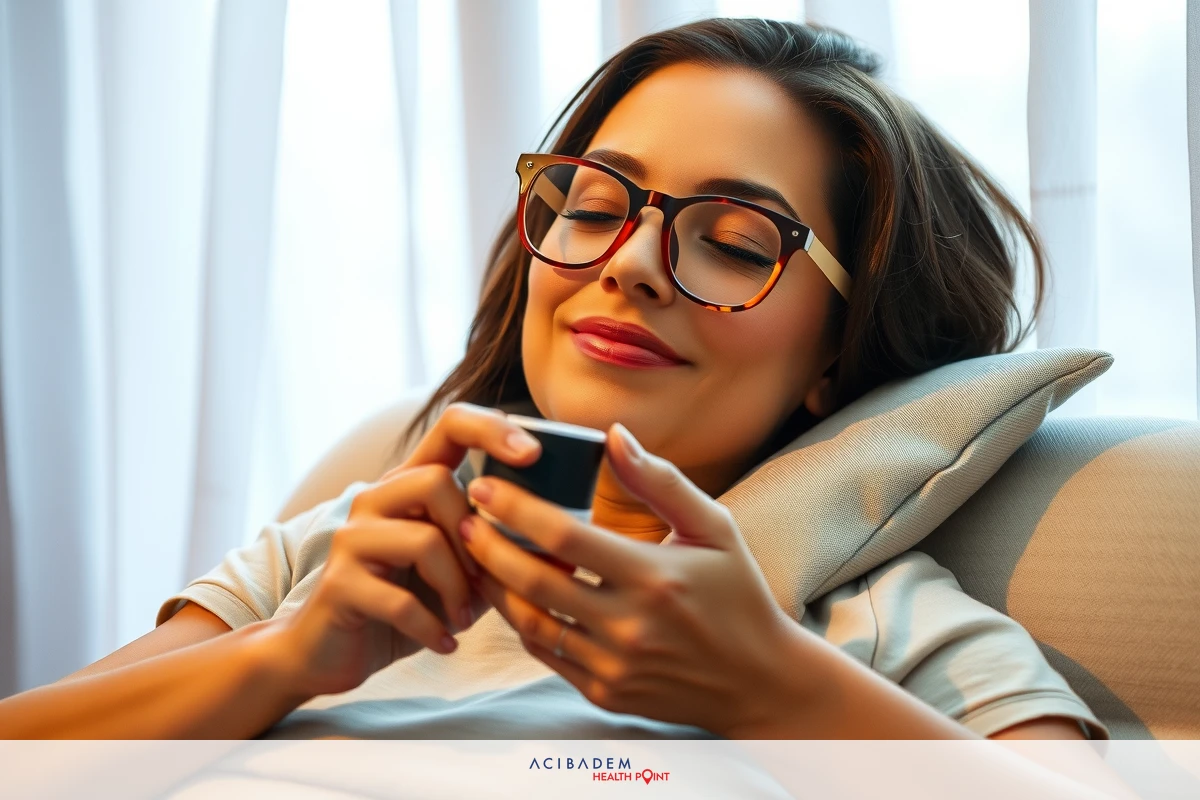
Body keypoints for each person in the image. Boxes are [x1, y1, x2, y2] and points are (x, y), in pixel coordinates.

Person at [0, 17, 1118, 770]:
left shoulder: (875, 623)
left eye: (732, 241)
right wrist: (289, 653)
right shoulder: (342, 548)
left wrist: (771, 686)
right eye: (592, 202)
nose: (626, 260)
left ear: (839, 348)